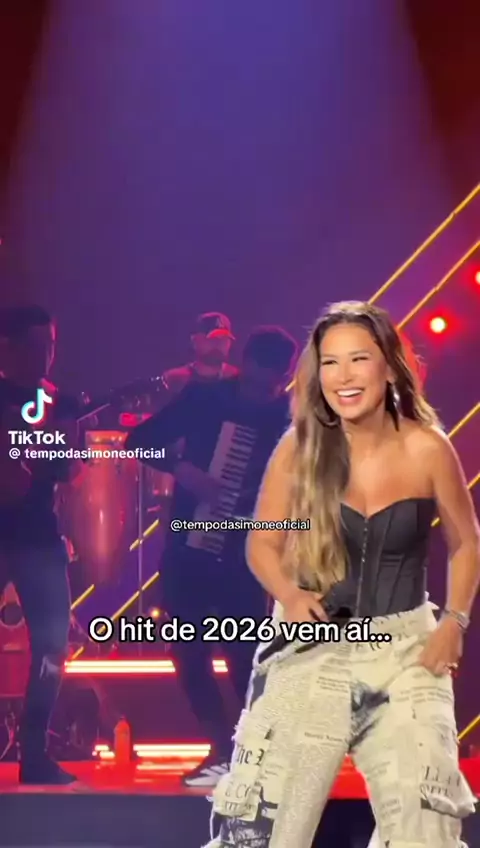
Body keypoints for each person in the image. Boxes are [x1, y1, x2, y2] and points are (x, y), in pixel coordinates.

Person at [203, 301, 479, 847]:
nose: (344, 376)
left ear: (389, 367)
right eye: (330, 362)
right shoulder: (298, 448)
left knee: (426, 828)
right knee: (262, 832)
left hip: (407, 651)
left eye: (358, 359)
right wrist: (288, 593)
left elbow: (466, 540)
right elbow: (262, 542)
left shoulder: (429, 448)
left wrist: (454, 621)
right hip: (311, 647)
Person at [126, 326, 298, 787]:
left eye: (271, 386)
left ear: (283, 378)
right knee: (189, 653)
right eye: (255, 383)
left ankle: (254, 751)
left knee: (245, 657)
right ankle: (219, 746)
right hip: (190, 548)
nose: (261, 394)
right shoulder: (206, 399)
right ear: (245, 365)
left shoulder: (288, 417)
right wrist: (184, 470)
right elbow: (139, 440)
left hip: (246, 552)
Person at [0, 306, 83, 784]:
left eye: (50, 345)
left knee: (52, 648)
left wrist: (65, 450)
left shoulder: (60, 402)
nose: (45, 356)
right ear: (8, 348)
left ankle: (34, 753)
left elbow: (67, 471)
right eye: (35, 345)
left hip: (39, 537)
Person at [162, 312, 238, 395]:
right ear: (194, 341)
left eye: (223, 339)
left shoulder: (238, 381)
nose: (218, 343)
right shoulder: (174, 380)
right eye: (211, 338)